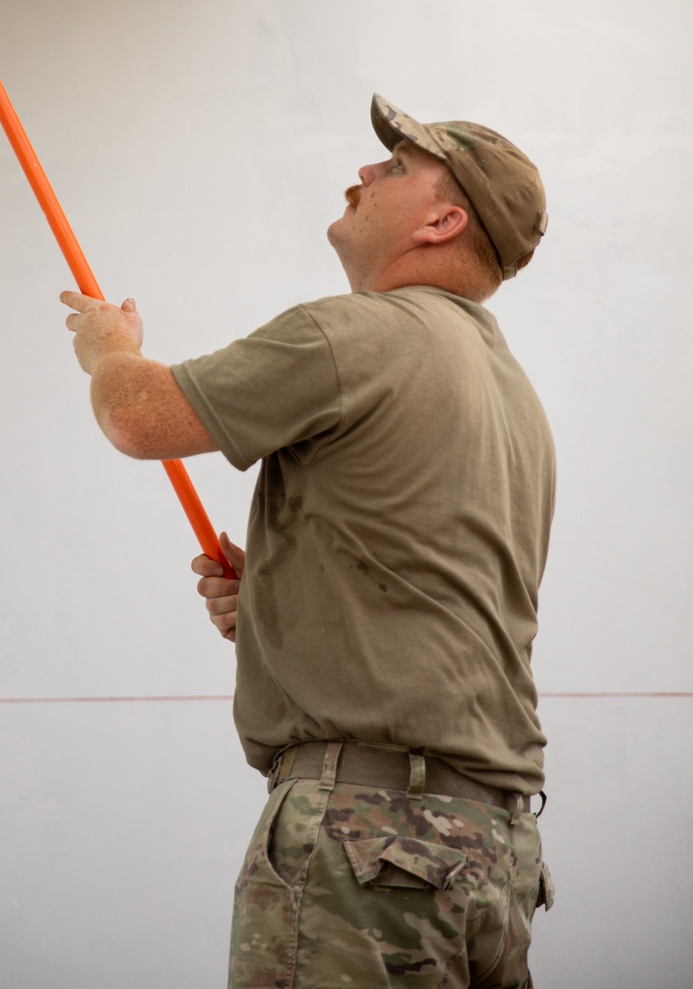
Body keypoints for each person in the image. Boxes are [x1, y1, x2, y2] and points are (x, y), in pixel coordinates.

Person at [61, 94, 555, 989]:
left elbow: (140, 418)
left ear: (444, 221)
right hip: (493, 849)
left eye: (396, 168)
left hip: (366, 843)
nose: (362, 174)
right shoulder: (514, 399)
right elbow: (425, 589)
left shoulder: (357, 333)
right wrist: (284, 598)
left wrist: (107, 348)